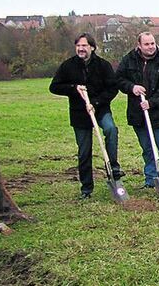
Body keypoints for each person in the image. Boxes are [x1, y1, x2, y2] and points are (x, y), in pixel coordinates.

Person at [49, 33, 125, 199]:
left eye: (84, 46)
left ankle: (113, 167)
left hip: (101, 109)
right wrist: (74, 88)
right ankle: (86, 189)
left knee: (111, 129)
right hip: (79, 114)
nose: (81, 49)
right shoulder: (68, 66)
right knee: (84, 151)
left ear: (92, 47)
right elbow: (54, 87)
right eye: (78, 46)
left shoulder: (103, 65)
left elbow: (113, 88)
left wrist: (96, 103)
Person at [116, 32, 159, 191]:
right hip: (138, 115)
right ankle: (151, 180)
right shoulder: (129, 60)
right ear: (139, 45)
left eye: (152, 43)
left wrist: (151, 103)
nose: (150, 47)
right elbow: (118, 79)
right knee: (147, 149)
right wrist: (132, 87)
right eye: (147, 44)